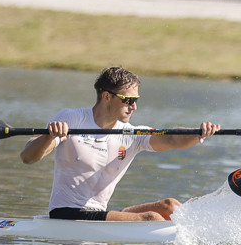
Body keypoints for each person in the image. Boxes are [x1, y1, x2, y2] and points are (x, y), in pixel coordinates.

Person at [20, 66, 220, 221]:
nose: (134, 106)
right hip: (66, 213)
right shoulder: (72, 119)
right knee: (151, 218)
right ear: (107, 97)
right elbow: (28, 157)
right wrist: (49, 136)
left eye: (136, 100)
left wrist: (197, 133)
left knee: (170, 207)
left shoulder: (131, 135)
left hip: (99, 213)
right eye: (128, 100)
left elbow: (171, 138)